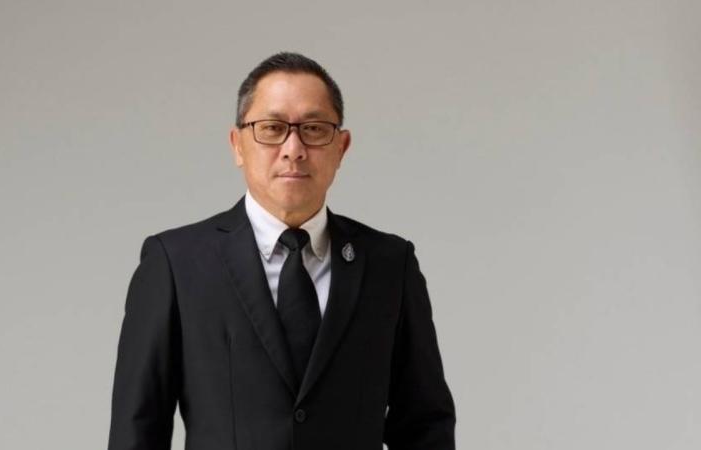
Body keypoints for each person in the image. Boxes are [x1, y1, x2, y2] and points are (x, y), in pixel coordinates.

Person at [107, 52, 456, 450]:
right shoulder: (177, 263)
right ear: (238, 145)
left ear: (341, 147)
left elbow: (425, 426)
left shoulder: (389, 264)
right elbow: (136, 431)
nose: (294, 148)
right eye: (272, 128)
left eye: (314, 129)